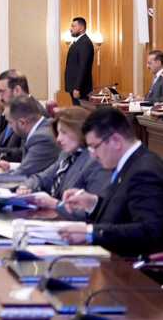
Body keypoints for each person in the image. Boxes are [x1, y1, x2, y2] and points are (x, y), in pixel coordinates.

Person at [59, 107, 163, 257]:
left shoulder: (144, 171)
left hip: (129, 268)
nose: (93, 156)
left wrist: (90, 232)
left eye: (94, 147)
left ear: (116, 141)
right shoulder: (130, 163)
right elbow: (124, 215)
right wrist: (93, 203)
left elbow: (150, 231)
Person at [15, 107, 110, 219]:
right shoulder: (66, 155)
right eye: (58, 133)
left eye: (64, 133)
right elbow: (41, 178)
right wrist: (26, 187)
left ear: (80, 130)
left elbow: (92, 213)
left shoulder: (95, 161)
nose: (58, 139)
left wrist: (54, 204)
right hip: (51, 219)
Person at [0, 95, 59, 176]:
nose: (10, 127)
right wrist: (10, 166)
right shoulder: (41, 128)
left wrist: (0, 175)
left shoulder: (42, 138)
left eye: (10, 122)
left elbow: (21, 176)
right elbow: (31, 166)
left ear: (22, 123)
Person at [64, 16, 95, 105]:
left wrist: (77, 88)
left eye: (73, 26)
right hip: (74, 87)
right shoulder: (78, 42)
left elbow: (83, 66)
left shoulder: (85, 43)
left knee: (81, 112)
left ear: (81, 28)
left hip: (80, 88)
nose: (70, 29)